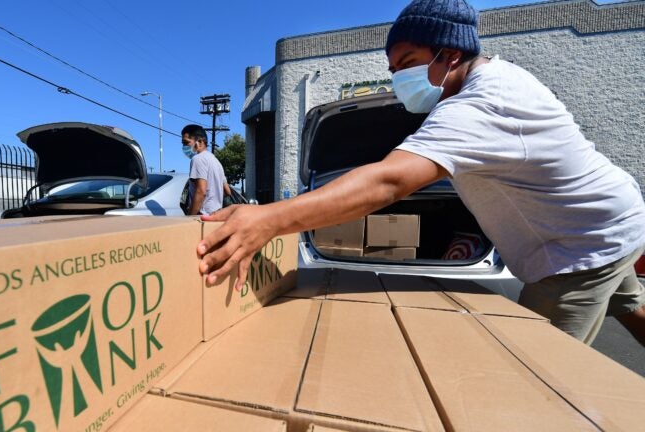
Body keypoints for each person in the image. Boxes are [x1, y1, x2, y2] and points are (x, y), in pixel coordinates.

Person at [196, 0, 645, 345]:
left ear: (450, 54)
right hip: (610, 220)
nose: (398, 78)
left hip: (578, 248)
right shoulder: (485, 85)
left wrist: (269, 219)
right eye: (393, 69)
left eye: (408, 62)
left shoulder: (481, 104)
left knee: (538, 378)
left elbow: (390, 181)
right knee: (630, 305)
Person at [181, 124, 232, 215]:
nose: (184, 147)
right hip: (216, 215)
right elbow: (227, 191)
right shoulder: (216, 162)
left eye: (186, 142)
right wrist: (213, 197)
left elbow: (201, 191)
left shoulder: (198, 159)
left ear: (200, 142)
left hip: (202, 216)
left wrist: (189, 217)